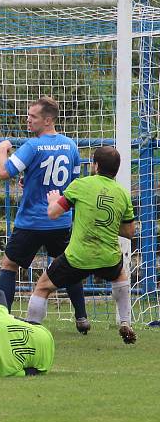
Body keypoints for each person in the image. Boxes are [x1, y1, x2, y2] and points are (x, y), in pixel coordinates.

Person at [0, 96, 90, 333]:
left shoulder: (32, 146)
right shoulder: (71, 145)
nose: (28, 120)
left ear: (47, 120)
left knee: (9, 265)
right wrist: (31, 181)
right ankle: (81, 317)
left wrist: (2, 150)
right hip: (60, 219)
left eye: (33, 116)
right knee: (69, 266)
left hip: (32, 221)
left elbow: (4, 172)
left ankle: (2, 318)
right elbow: (72, 182)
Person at [26, 146, 137, 344]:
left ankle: (32, 331)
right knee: (120, 275)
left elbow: (53, 213)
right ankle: (125, 321)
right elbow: (129, 232)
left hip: (78, 257)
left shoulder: (80, 185)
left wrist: (52, 200)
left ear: (95, 166)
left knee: (42, 287)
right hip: (107, 257)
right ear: (117, 170)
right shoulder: (122, 194)